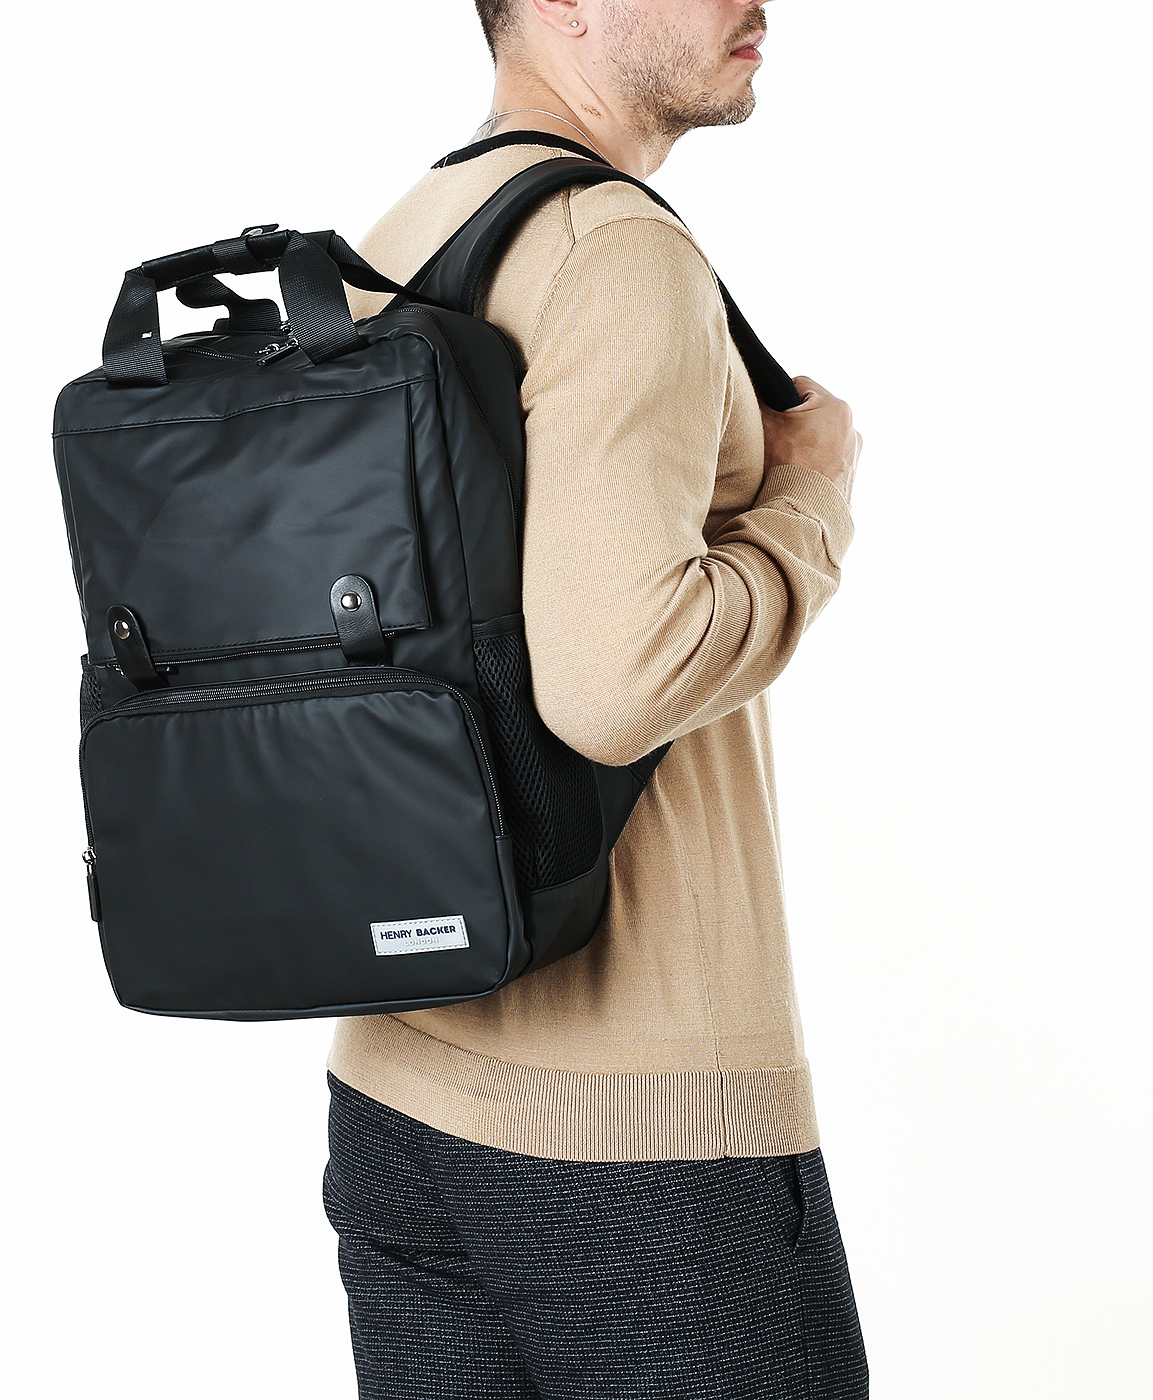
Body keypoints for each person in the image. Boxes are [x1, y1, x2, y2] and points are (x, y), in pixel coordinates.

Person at [323, 2, 867, 1395]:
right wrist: (810, 500)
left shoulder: (410, 234)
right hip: (641, 1129)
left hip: (399, 1087)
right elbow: (618, 687)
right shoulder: (613, 250)